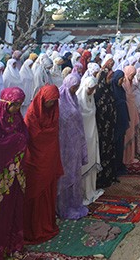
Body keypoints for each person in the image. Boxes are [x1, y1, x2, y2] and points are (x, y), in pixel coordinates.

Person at [0, 87, 28, 260]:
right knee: (0, 214)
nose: (17, 109)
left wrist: (18, 142)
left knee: (13, 211)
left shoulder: (17, 119)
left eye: (19, 105)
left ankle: (12, 245)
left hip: (15, 176)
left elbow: (25, 135)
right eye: (14, 105)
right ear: (5, 104)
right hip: (1, 179)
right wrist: (16, 142)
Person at [23, 85, 62, 244]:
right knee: (35, 194)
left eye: (54, 102)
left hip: (50, 159)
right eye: (49, 102)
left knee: (48, 193)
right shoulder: (32, 114)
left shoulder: (54, 111)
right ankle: (33, 229)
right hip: (35, 162)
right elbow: (35, 137)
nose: (51, 105)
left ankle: (47, 224)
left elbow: (53, 134)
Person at [56, 73, 90, 219]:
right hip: (63, 146)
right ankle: (62, 206)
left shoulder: (74, 99)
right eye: (73, 88)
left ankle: (74, 204)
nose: (75, 90)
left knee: (74, 175)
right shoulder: (59, 101)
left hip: (74, 145)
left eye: (76, 88)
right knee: (64, 176)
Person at [77, 75, 103, 204]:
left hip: (93, 135)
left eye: (93, 89)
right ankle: (83, 192)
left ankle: (91, 189)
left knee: (92, 161)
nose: (92, 92)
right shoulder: (78, 100)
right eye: (90, 89)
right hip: (84, 138)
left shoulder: (91, 98)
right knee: (84, 165)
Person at [93, 63, 117, 188]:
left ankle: (110, 176)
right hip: (102, 128)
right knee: (103, 152)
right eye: (108, 77)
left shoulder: (109, 89)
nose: (110, 80)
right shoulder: (98, 92)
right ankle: (102, 179)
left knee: (110, 150)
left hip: (110, 127)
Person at [109, 69, 129, 177]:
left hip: (122, 119)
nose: (122, 81)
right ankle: (116, 168)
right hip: (116, 122)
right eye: (121, 79)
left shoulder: (120, 89)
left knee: (120, 145)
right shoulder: (112, 89)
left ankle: (120, 165)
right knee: (116, 146)